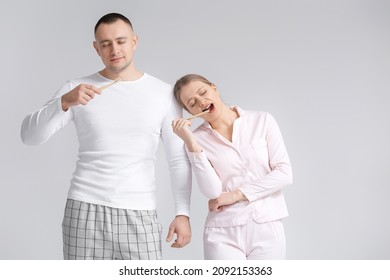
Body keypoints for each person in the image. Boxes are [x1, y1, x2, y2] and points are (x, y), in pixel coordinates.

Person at [20, 13, 192, 260]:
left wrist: (183, 213)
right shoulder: (76, 88)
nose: (115, 49)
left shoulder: (164, 94)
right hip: (84, 208)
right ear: (96, 48)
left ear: (134, 41)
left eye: (121, 41)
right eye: (105, 44)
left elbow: (177, 159)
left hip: (139, 212)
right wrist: (65, 102)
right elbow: (30, 136)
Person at [171, 74, 293, 260]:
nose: (201, 102)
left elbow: (284, 174)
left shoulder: (262, 121)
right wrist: (192, 143)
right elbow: (212, 191)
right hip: (222, 231)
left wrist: (236, 194)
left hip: (267, 225)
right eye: (192, 103)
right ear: (190, 112)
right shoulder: (196, 139)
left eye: (203, 92)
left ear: (214, 88)